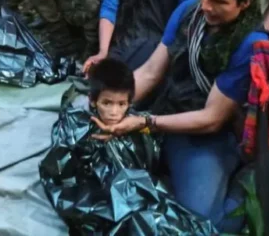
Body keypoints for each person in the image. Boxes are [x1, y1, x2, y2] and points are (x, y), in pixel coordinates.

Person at [92, 0, 269, 233]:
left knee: (202, 226)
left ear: (244, 3)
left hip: (209, 135)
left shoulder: (248, 44)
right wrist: (109, 101)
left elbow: (212, 118)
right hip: (170, 111)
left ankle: (265, 171)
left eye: (218, 1)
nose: (205, 5)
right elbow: (151, 71)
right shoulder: (187, 13)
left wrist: (145, 123)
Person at [40, 57, 216, 234]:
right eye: (107, 103)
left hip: (139, 193)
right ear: (93, 100)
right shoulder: (76, 126)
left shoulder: (136, 124)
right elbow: (61, 176)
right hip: (103, 199)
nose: (114, 112)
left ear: (129, 103)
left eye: (121, 104)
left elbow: (151, 160)